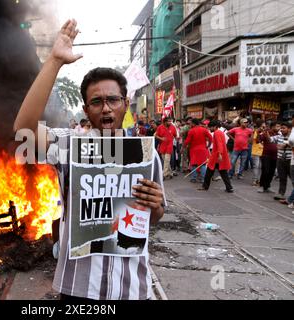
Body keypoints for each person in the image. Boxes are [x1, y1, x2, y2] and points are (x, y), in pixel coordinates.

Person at [13, 19, 165, 300]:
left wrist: (156, 207)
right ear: (86, 109)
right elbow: (24, 128)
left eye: (113, 100)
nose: (106, 108)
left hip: (131, 289)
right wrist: (54, 62)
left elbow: (154, 216)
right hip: (78, 288)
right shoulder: (70, 145)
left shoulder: (146, 154)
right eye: (97, 102)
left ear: (125, 104)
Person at [198, 120, 233, 193]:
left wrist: (219, 154)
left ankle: (205, 186)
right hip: (218, 156)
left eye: (210, 127)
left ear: (214, 127)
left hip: (216, 156)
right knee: (223, 173)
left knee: (209, 172)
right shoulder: (220, 132)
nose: (209, 129)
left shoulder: (217, 133)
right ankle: (229, 188)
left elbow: (219, 144)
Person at [268, 122, 292, 201]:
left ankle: (292, 197)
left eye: (284, 128)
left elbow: (288, 145)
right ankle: (281, 193)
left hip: (290, 160)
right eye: (281, 128)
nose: (281, 130)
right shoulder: (279, 136)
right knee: (282, 177)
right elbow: (270, 139)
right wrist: (266, 133)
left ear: (289, 129)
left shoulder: (292, 137)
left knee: (293, 178)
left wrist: (286, 145)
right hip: (280, 159)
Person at [184, 118, 213, 183]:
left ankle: (194, 178)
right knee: (203, 164)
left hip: (194, 150)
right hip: (203, 149)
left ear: (194, 123)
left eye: (191, 123)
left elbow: (187, 141)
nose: (190, 124)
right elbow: (211, 138)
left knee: (194, 164)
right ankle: (203, 179)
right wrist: (208, 145)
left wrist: (183, 147)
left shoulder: (191, 131)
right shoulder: (204, 130)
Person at [258, 121, 279, 193]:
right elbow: (259, 140)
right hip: (266, 155)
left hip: (275, 156)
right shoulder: (266, 133)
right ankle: (261, 186)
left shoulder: (279, 134)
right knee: (265, 171)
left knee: (271, 172)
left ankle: (267, 186)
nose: (279, 128)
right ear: (272, 127)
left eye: (279, 126)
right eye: (277, 126)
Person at [251, 120, 265, 186]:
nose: (264, 126)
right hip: (256, 151)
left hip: (263, 151)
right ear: (260, 125)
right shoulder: (255, 131)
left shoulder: (263, 132)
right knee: (256, 166)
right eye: (263, 125)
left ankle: (259, 180)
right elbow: (255, 140)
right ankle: (255, 180)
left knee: (260, 167)